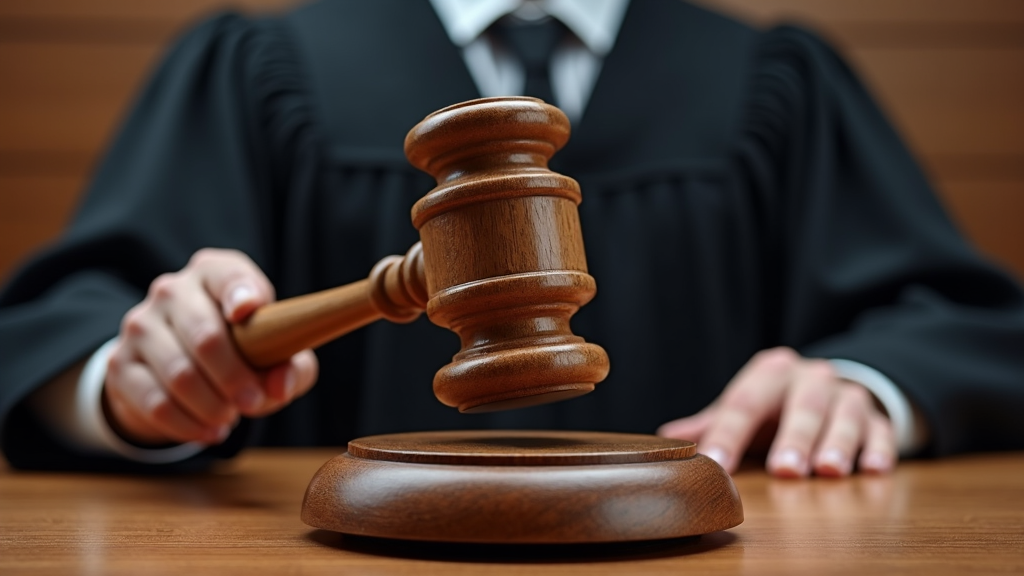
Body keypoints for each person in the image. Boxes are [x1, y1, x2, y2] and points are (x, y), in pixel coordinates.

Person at [2, 0, 1023, 477]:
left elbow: (965, 327)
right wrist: (133, 384)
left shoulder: (774, 85)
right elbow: (62, 325)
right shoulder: (257, 71)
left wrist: (863, 383)